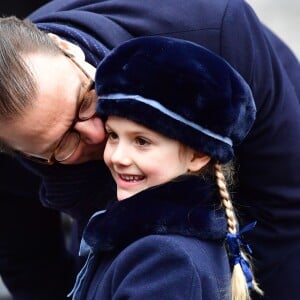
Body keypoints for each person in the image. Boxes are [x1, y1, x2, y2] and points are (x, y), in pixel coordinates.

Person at [0, 0, 299, 299]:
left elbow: (284, 208)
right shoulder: (16, 136)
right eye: (62, 144)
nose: (97, 135)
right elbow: (30, 264)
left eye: (85, 100)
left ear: (64, 47)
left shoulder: (214, 26)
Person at [70, 35, 262, 300]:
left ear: (197, 155)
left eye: (142, 141)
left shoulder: (166, 262)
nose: (118, 156)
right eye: (113, 135)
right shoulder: (141, 238)